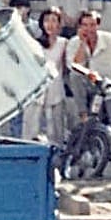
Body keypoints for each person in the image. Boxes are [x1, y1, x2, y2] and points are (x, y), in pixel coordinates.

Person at [67, 11, 111, 169]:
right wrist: (82, 43)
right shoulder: (73, 42)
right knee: (75, 76)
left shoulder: (109, 39)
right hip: (88, 86)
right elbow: (73, 66)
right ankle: (83, 115)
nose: (89, 29)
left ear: (98, 25)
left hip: (109, 85)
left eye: (92, 25)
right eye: (85, 25)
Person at [23, 8, 68, 145]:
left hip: (56, 90)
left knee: (56, 131)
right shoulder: (35, 44)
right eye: (46, 21)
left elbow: (65, 67)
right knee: (32, 130)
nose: (50, 24)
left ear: (59, 24)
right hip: (37, 91)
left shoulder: (63, 43)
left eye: (54, 21)